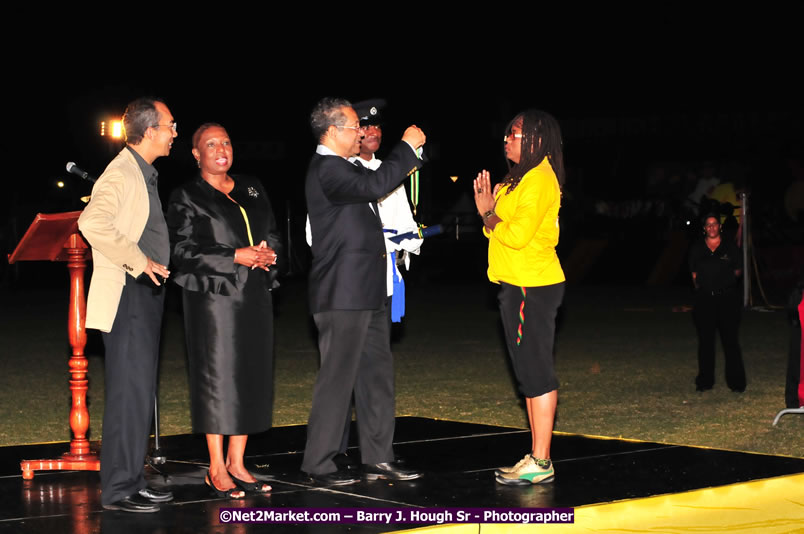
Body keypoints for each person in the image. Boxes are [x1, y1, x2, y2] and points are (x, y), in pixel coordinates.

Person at [302, 97, 425, 485]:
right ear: (334, 131)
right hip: (341, 294)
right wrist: (405, 148)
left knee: (376, 376)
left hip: (369, 291)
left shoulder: (342, 168)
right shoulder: (327, 168)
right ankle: (319, 463)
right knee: (337, 378)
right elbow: (375, 184)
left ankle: (378, 456)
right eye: (356, 127)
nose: (362, 132)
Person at [166, 123, 281, 498]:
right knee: (218, 380)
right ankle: (215, 467)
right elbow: (182, 251)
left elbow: (273, 230)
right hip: (213, 300)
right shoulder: (187, 195)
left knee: (250, 375)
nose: (221, 149)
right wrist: (234, 255)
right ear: (196, 154)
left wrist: (268, 254)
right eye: (211, 144)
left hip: (255, 295)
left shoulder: (251, 186)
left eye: (227, 142)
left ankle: (237, 461)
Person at [77, 98, 177, 512]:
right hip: (128, 295)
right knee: (126, 394)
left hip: (143, 295)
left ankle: (132, 479)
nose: (175, 131)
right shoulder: (121, 171)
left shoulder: (143, 173)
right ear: (150, 130)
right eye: (171, 124)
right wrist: (140, 260)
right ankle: (118, 489)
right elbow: (91, 222)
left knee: (137, 394)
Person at [473, 109, 565, 486]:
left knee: (536, 369)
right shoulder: (520, 178)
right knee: (526, 372)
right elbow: (495, 234)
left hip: (533, 285)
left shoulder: (540, 179)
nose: (507, 140)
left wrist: (489, 213)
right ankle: (535, 457)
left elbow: (516, 235)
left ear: (537, 139)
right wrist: (490, 216)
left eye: (516, 134)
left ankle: (542, 462)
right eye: (507, 134)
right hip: (517, 283)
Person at [688, 214, 746, 392]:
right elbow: (694, 274)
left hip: (727, 300)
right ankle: (705, 382)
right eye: (708, 225)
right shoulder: (697, 248)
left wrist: (723, 281)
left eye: (715, 224)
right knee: (706, 342)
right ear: (704, 228)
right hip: (705, 300)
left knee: (730, 342)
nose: (712, 227)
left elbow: (737, 271)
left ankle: (736, 383)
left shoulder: (730, 247)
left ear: (719, 227)